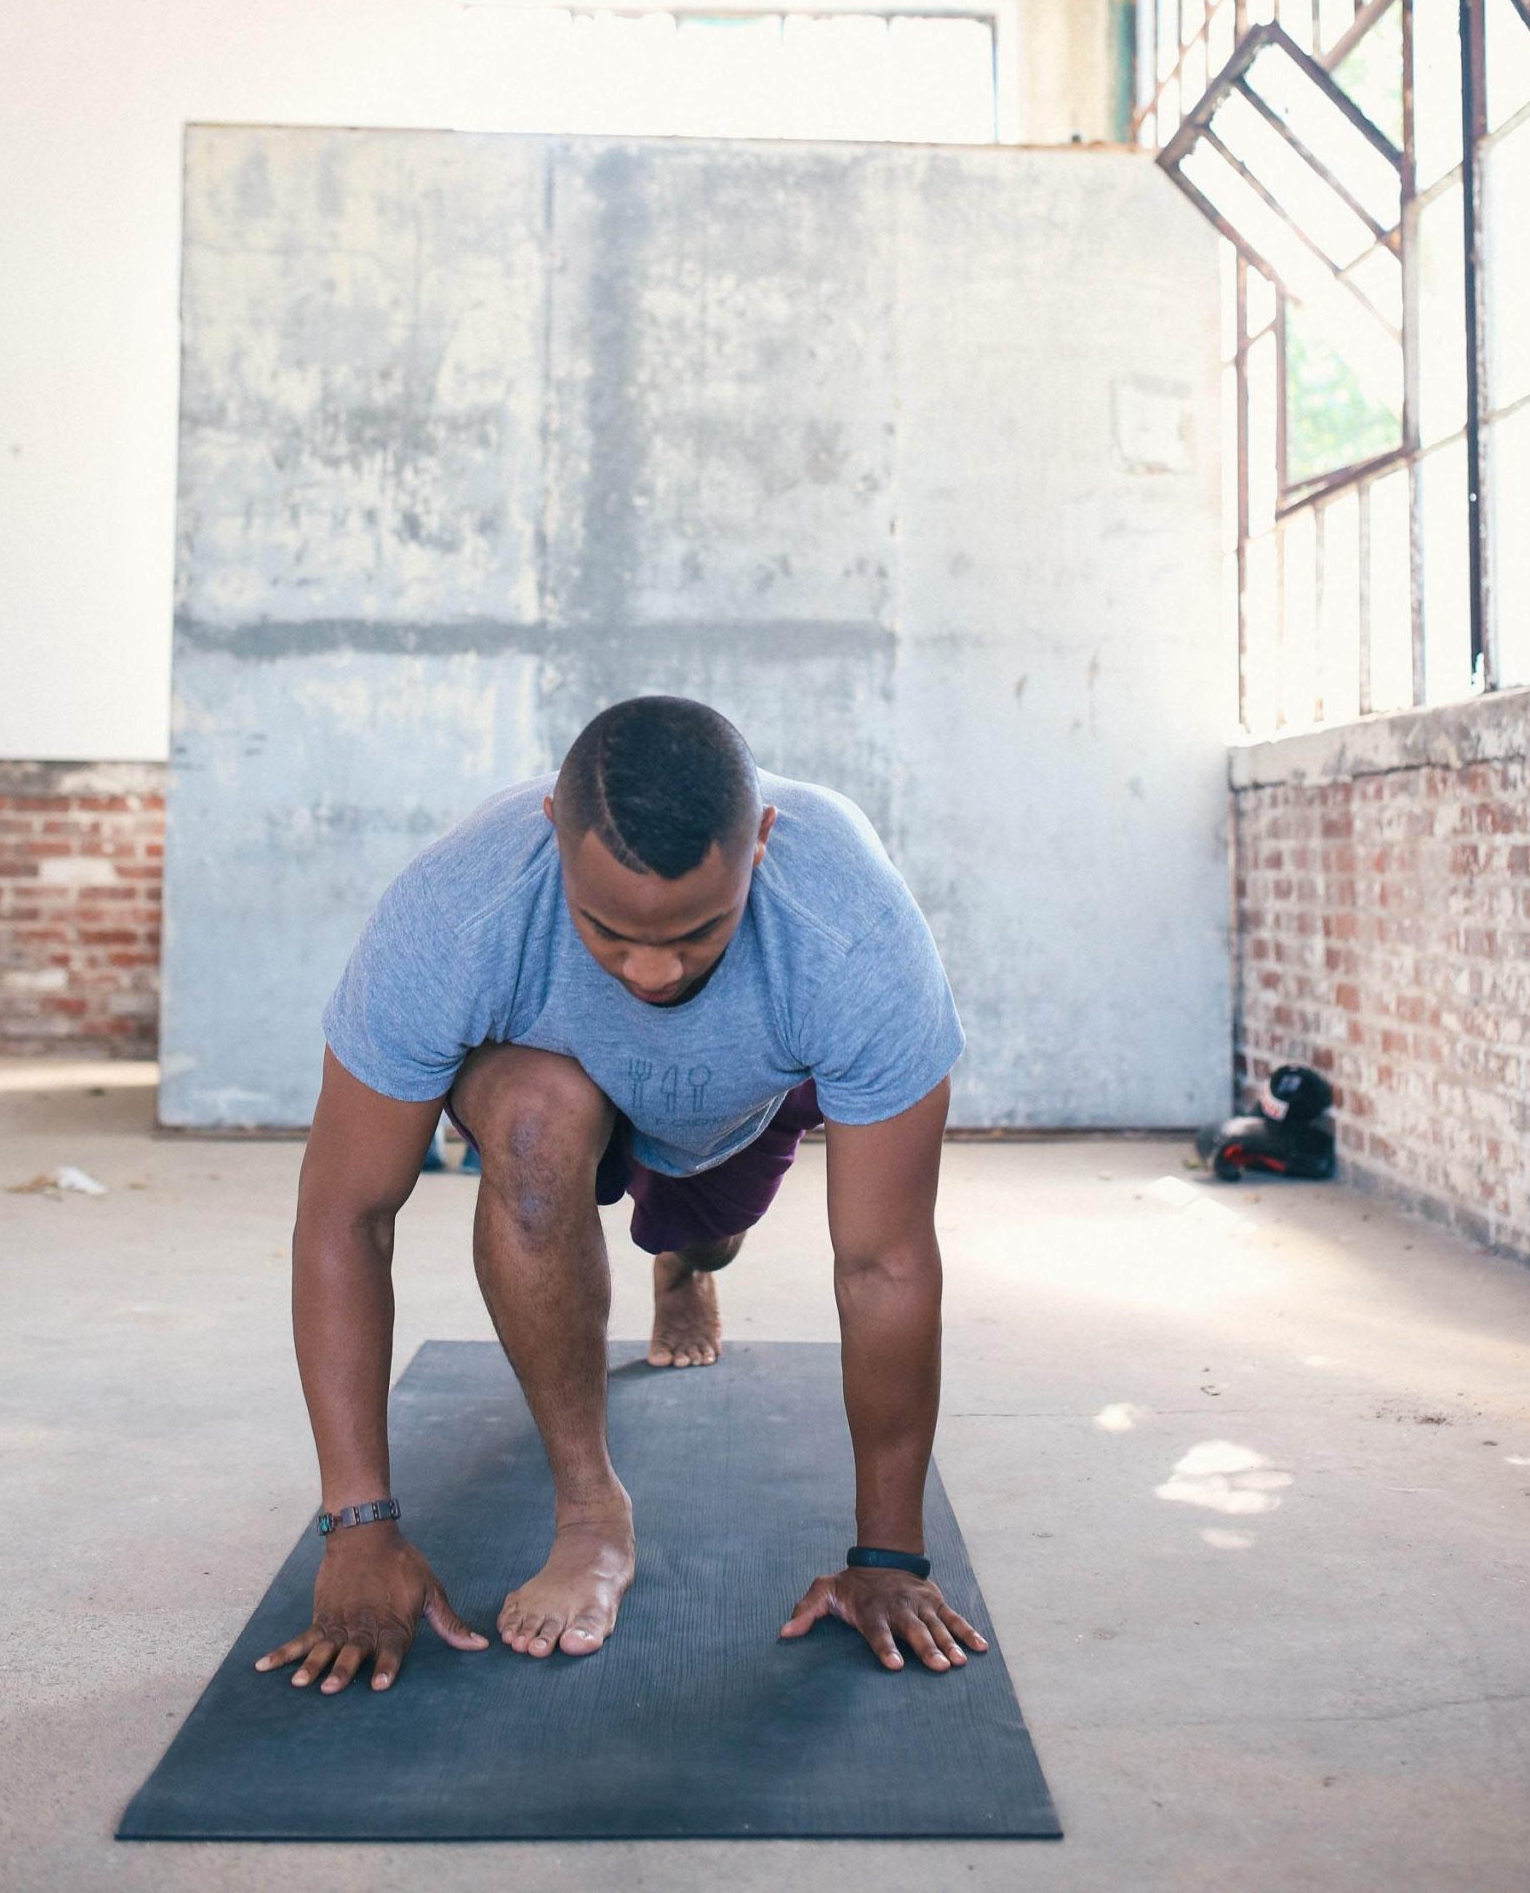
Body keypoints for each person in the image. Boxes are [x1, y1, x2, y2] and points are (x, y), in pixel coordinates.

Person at [256, 694, 988, 1698]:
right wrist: (358, 1526)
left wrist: (890, 1558)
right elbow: (345, 1214)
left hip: (733, 1105)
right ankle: (592, 1511)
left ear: (762, 844)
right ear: (551, 832)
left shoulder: (852, 931)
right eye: (607, 931)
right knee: (534, 1124)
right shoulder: (454, 911)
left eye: (697, 932)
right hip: (552, 1082)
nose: (652, 970)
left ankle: (685, 1263)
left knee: (706, 1234)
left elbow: (884, 1262)